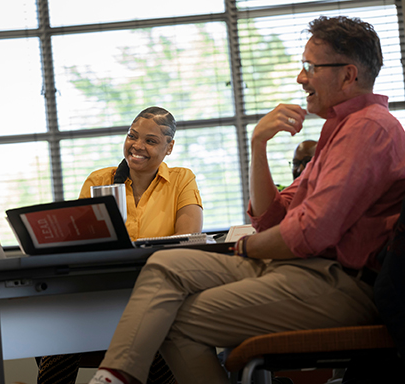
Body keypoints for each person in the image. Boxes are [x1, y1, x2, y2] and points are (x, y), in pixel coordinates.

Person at [86, 16, 405, 384]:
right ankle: (112, 377)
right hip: (303, 269)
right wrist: (259, 144)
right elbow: (272, 218)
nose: (301, 78)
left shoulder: (369, 129)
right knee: (163, 266)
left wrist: (246, 248)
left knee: (173, 320)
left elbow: (307, 234)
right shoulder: (340, 128)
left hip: (339, 284)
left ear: (349, 75)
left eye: (310, 67)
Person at [37, 106, 204, 384]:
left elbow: (186, 243)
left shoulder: (181, 179)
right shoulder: (99, 180)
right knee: (58, 334)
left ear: (169, 147)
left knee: (154, 336)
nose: (137, 146)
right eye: (132, 136)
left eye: (150, 141)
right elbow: (81, 244)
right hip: (102, 292)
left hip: (156, 293)